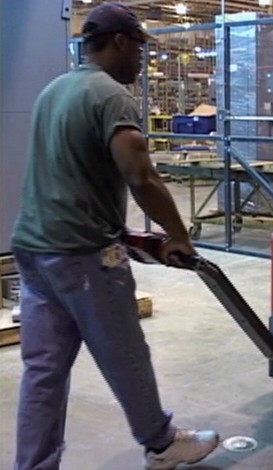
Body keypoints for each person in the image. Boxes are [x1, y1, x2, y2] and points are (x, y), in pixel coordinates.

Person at [10, 3, 219, 469]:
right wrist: (179, 234)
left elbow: (70, 173)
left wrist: (124, 231)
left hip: (34, 248)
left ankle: (34, 464)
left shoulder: (54, 90)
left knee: (42, 372)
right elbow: (140, 176)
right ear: (121, 41)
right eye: (140, 47)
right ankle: (162, 444)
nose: (142, 61)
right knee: (124, 352)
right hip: (83, 255)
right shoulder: (111, 96)